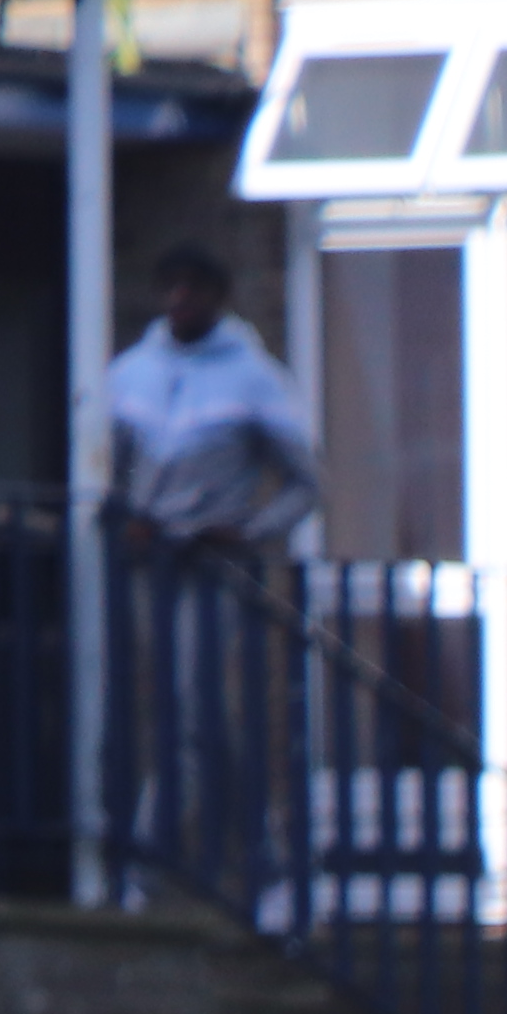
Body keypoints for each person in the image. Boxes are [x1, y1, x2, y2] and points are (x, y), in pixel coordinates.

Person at [98, 244, 315, 904]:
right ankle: (245, 846)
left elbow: (308, 484)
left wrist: (249, 530)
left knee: (194, 708)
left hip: (213, 564)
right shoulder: (131, 373)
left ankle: (153, 860)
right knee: (169, 711)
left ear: (218, 298)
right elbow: (101, 467)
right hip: (148, 563)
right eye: (171, 286)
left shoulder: (254, 378)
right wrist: (124, 517)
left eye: (193, 288)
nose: (180, 299)